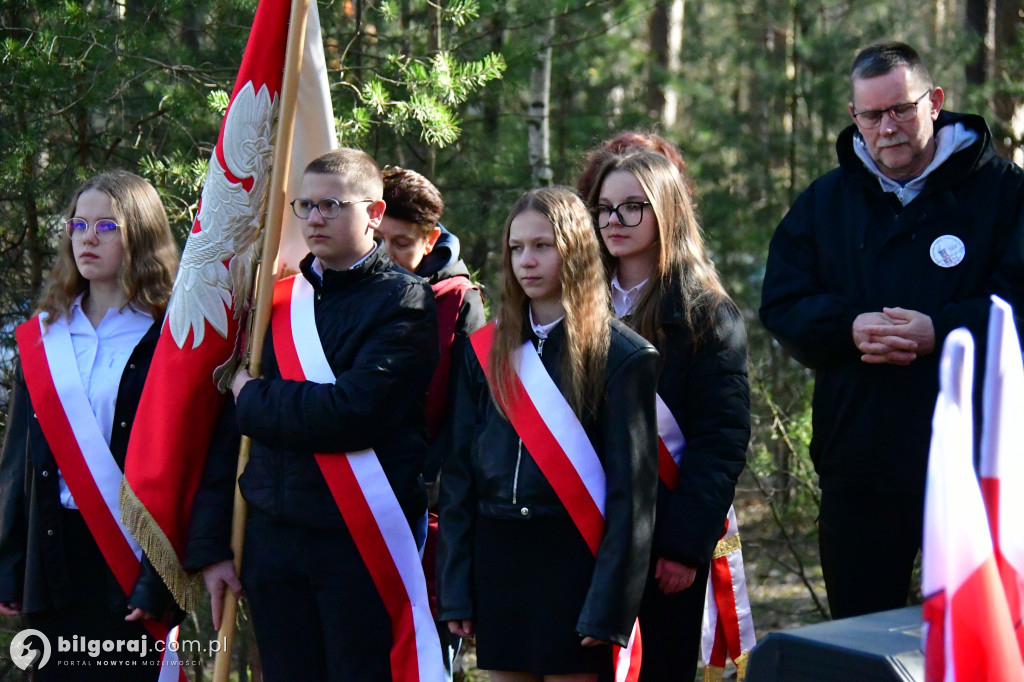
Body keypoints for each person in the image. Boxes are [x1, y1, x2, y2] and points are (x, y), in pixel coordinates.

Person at [759, 41, 1024, 620]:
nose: (889, 126)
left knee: (983, 635)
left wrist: (946, 331)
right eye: (873, 114)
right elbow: (782, 301)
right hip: (860, 463)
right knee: (859, 637)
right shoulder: (826, 202)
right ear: (855, 117)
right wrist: (847, 328)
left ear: (935, 101)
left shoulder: (1005, 192)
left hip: (977, 464)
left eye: (902, 108)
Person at [185, 148, 442, 681]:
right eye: (305, 206)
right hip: (271, 542)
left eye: (331, 206)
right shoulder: (275, 301)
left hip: (356, 542)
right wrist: (212, 546)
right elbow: (229, 435)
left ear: (373, 213)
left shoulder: (408, 303)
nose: (314, 219)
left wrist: (252, 397)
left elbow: (349, 414)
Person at [436, 186, 660, 682]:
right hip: (499, 559)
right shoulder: (483, 351)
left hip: (574, 560)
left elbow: (633, 499)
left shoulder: (623, 356)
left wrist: (611, 605)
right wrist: (455, 588)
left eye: (543, 246)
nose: (526, 261)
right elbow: (458, 479)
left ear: (576, 249)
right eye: (516, 248)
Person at [0, 170, 182, 680]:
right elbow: (18, 461)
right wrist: (8, 565)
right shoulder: (45, 337)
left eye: (107, 226)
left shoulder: (169, 336)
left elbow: (181, 466)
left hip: (131, 557)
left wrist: (161, 578)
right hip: (54, 556)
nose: (87, 237)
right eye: (79, 224)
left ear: (140, 234)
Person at [583, 150, 751, 681]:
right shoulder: (577, 303)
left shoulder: (706, 313)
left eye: (633, 208)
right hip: (585, 523)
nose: (613, 221)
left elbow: (720, 439)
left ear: (668, 214)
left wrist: (684, 546)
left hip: (663, 540)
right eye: (605, 208)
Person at [378, 165, 486, 679]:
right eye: (378, 240)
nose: (385, 255)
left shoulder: (460, 305)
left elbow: (467, 422)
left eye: (401, 243)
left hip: (426, 507)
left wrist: (431, 488)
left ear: (432, 239)